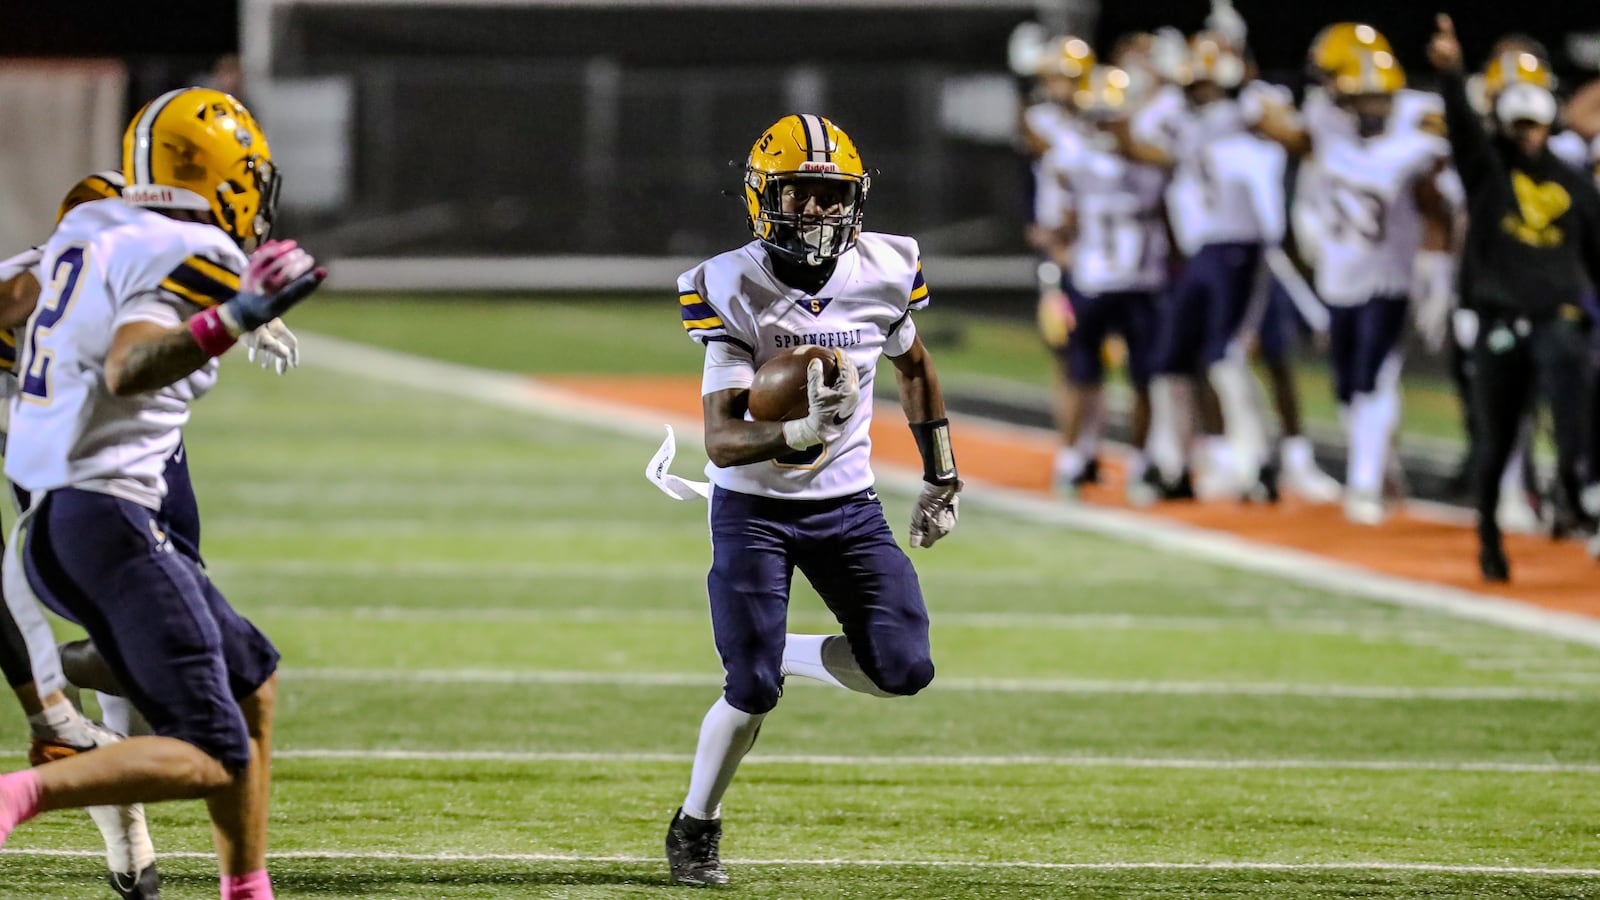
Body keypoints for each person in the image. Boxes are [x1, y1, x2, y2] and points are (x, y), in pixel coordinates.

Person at [0, 86, 325, 900]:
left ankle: (245, 886)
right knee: (215, 749)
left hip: (65, 511)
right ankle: (18, 795)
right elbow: (128, 360)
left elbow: (40, 291)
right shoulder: (187, 249)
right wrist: (235, 312)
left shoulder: (88, 230)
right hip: (104, 511)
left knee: (254, 681)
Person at [662, 113, 956, 886]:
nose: (819, 214)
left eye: (831, 197)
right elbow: (722, 442)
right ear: (766, 199)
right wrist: (797, 431)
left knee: (905, 668)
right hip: (754, 507)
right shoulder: (729, 283)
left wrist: (942, 473)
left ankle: (778, 650)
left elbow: (916, 366)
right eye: (802, 195)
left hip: (846, 506)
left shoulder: (888, 267)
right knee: (750, 689)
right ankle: (696, 825)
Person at [1248, 25, 1456, 524]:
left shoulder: (1420, 124)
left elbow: (1441, 200)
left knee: (1374, 378)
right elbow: (1281, 128)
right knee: (1346, 385)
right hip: (1339, 275)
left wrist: (1438, 271)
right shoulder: (1326, 120)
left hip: (1390, 274)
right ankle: (1380, 464)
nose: (1362, 107)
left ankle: (1364, 483)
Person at [1429, 16, 1600, 581]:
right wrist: (1451, 75)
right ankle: (1489, 534)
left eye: (1536, 123)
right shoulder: (1487, 172)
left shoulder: (1575, 185)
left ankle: (1576, 487)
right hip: (1500, 318)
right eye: (1518, 123)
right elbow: (1461, 130)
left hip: (1554, 317)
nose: (1528, 133)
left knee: (1574, 381)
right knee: (1495, 431)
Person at [1037, 65, 1168, 502]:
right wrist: (1061, 254)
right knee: (1082, 374)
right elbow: (1058, 222)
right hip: (1090, 280)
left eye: (1111, 115)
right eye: (1097, 114)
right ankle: (1076, 457)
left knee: (1143, 378)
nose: (1103, 123)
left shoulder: (1147, 158)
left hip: (1140, 280)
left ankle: (1142, 462)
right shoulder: (1071, 157)